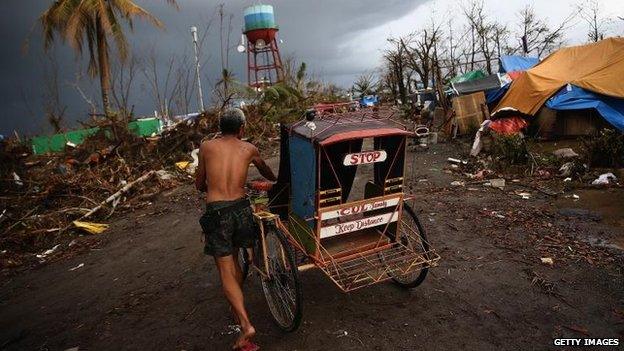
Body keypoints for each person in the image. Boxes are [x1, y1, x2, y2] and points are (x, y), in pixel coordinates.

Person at [195, 108, 276, 350]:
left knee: (226, 267)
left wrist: (210, 189)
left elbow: (199, 182)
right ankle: (237, 302)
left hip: (218, 211)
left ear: (221, 127)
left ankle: (245, 325)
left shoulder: (206, 146)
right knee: (240, 258)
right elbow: (264, 169)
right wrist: (275, 181)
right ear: (242, 129)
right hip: (242, 208)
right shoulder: (249, 148)